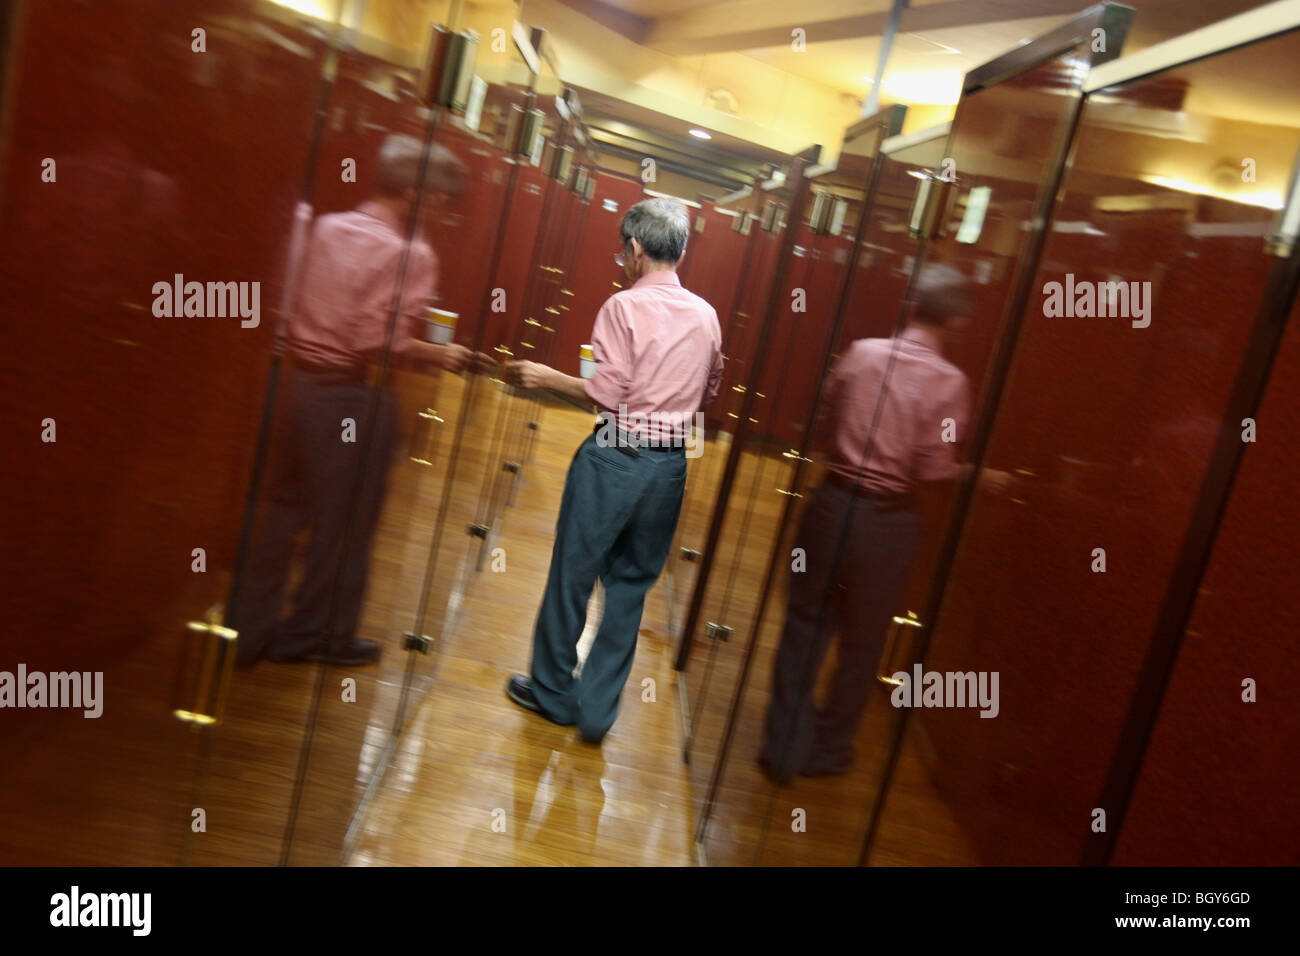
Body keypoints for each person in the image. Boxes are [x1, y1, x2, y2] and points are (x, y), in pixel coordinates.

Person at [233, 133, 474, 667]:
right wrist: (441, 355)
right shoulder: (410, 252)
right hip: (349, 396)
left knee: (277, 512)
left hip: (292, 385)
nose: (444, 211)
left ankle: (247, 632)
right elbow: (374, 341)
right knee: (342, 525)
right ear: (412, 193)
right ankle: (314, 635)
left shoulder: (323, 226)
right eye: (439, 199)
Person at [503, 197, 724, 743]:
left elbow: (608, 393)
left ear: (635, 248)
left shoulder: (622, 308)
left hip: (614, 452)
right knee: (629, 589)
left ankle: (554, 694)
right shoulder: (706, 314)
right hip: (671, 466)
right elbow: (710, 389)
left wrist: (543, 377)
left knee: (572, 576)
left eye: (621, 250)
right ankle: (599, 713)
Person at [759, 261, 974, 782]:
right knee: (863, 641)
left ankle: (781, 749)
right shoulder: (950, 383)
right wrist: (978, 476)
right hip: (887, 521)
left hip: (831, 504)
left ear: (912, 304)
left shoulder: (861, 354)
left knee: (805, 625)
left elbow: (827, 418)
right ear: (958, 320)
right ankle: (829, 749)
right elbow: (932, 466)